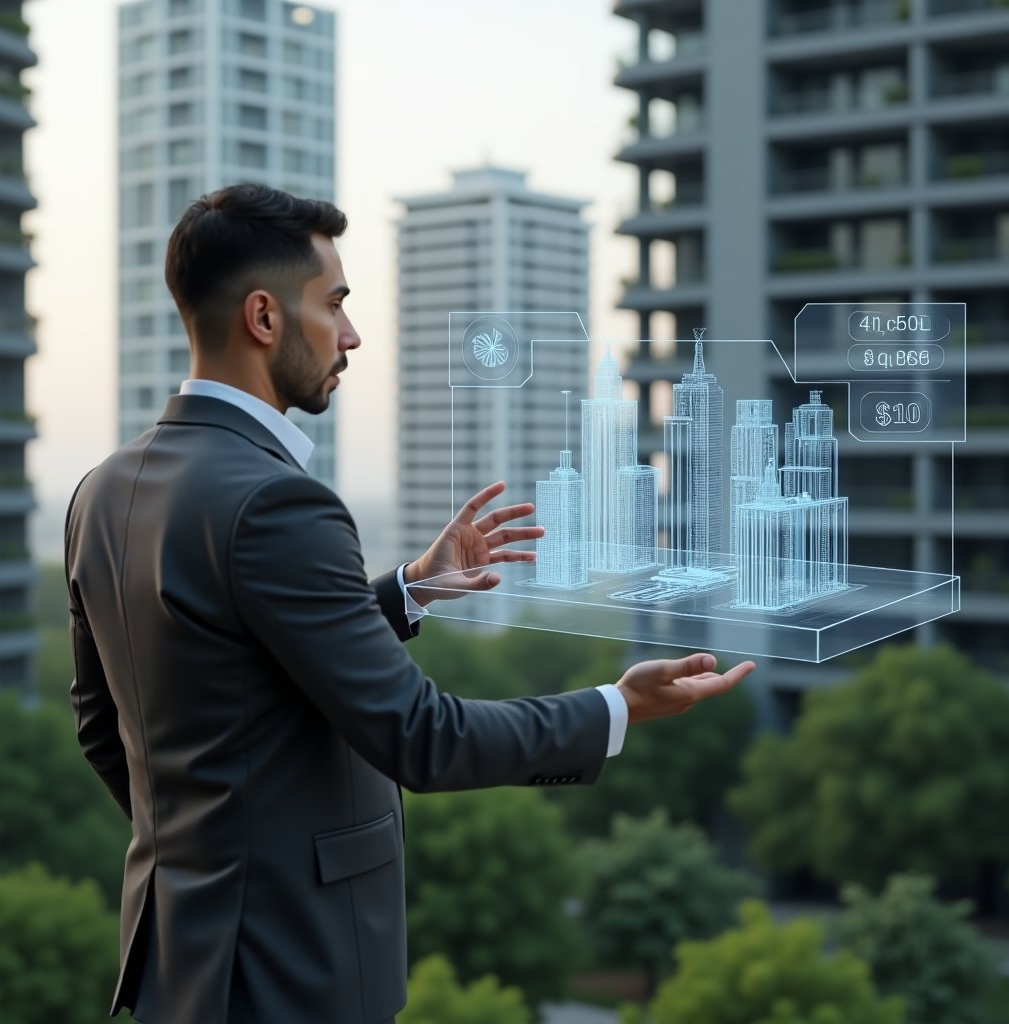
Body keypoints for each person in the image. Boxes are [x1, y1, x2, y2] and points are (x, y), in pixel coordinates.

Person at [64, 183, 756, 1024]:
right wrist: (616, 707)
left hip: (175, 966)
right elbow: (424, 739)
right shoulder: (278, 502)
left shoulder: (102, 491)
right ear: (264, 317)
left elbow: (115, 724)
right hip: (293, 975)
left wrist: (408, 590)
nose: (351, 334)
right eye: (334, 304)